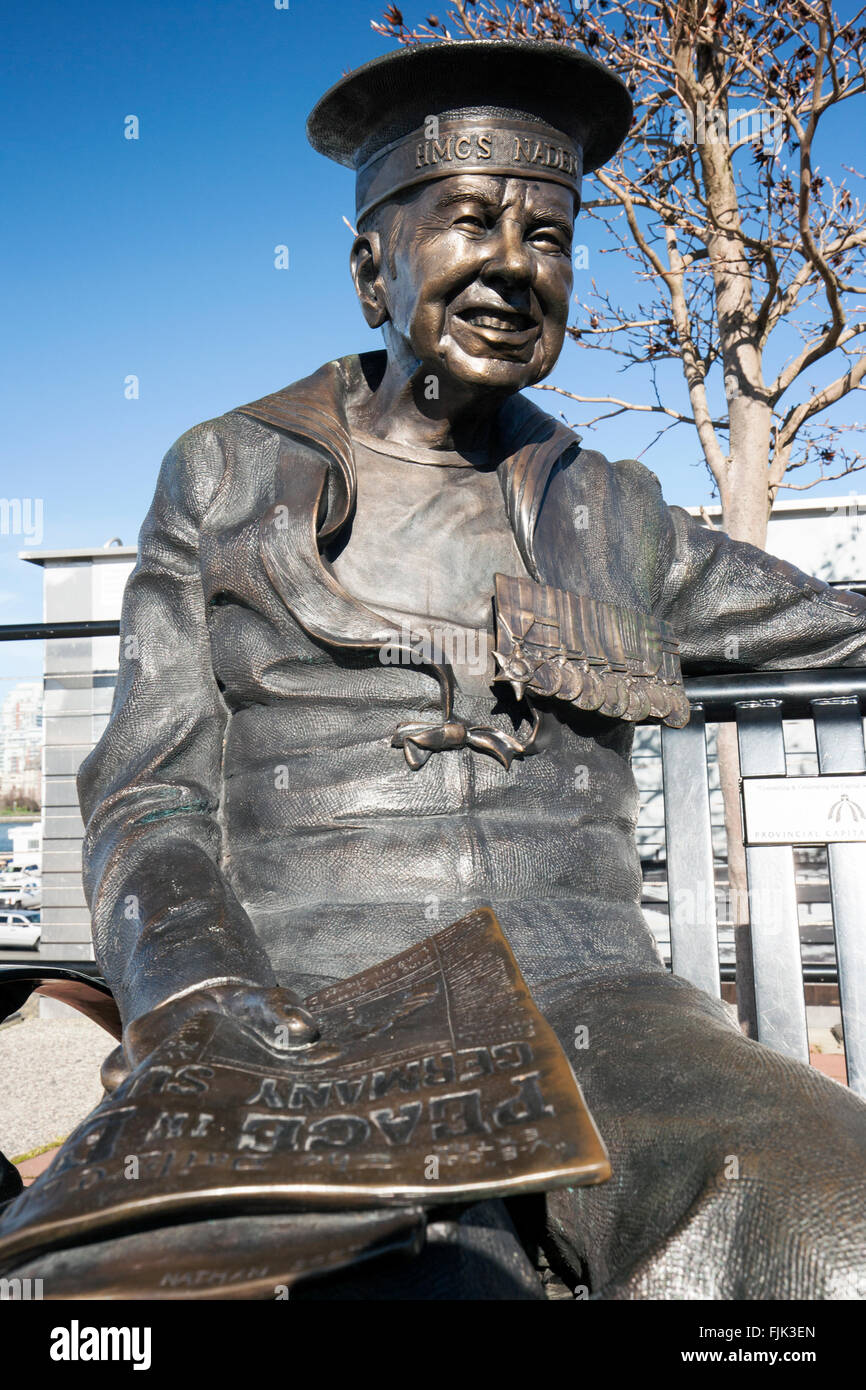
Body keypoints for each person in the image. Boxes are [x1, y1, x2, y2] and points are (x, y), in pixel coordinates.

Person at [77, 40, 866, 1298]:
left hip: (606, 1006)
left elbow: (838, 624)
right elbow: (149, 788)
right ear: (366, 268)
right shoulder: (226, 474)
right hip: (308, 1007)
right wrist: (197, 994)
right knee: (412, 1284)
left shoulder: (617, 513)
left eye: (548, 237)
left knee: (829, 1218)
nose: (512, 266)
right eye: (468, 222)